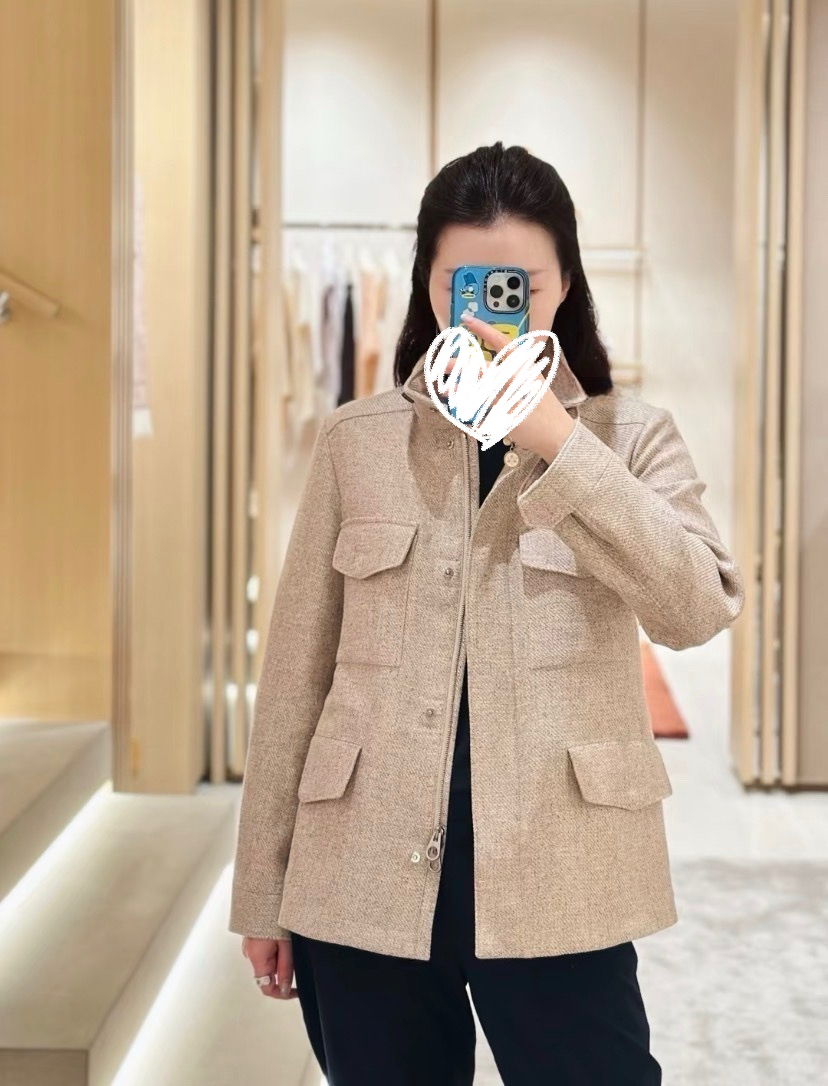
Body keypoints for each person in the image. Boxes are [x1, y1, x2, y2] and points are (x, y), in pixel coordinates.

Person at [229, 141, 745, 1084]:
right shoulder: (356, 442)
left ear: (564, 284)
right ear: (428, 285)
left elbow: (696, 607)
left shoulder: (633, 437)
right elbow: (297, 676)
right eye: (462, 283)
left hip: (563, 871)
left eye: (520, 285)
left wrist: (554, 440)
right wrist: (262, 891)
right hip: (363, 873)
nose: (488, 305)